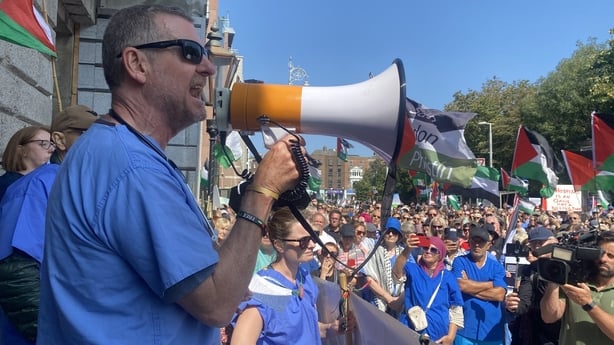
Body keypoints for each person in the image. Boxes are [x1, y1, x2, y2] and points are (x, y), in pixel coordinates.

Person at [36, 5, 304, 344]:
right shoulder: (133, 168)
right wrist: (262, 191)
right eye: (191, 53)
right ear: (137, 64)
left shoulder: (117, 152)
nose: (207, 68)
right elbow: (218, 303)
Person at [0, 106, 96, 344]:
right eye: (86, 134)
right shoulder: (40, 185)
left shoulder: (84, 184)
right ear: (60, 140)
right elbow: (16, 274)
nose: (97, 143)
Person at [231, 207, 342, 344]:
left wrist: (330, 328)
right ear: (279, 245)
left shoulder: (304, 278)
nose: (312, 245)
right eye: (303, 241)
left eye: (313, 237)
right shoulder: (264, 289)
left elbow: (303, 331)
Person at [540, 230, 614, 344]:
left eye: (611, 256)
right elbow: (549, 317)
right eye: (601, 253)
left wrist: (588, 304)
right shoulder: (576, 281)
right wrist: (554, 277)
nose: (603, 259)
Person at [393, 234, 464, 345]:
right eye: (426, 248)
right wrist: (407, 249)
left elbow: (456, 309)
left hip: (438, 336)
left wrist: (450, 337)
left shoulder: (447, 276)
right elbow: (397, 273)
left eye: (433, 250)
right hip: (410, 330)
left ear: (440, 254)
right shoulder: (413, 269)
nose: (428, 251)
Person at [452, 225, 507, 345]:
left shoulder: (496, 267)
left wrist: (469, 286)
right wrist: (491, 284)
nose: (477, 245)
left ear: (488, 245)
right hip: (465, 330)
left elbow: (499, 295)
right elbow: (460, 285)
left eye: (481, 242)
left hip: (492, 333)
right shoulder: (459, 261)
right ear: (469, 242)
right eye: (474, 241)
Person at [505, 227, 559, 345]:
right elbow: (524, 302)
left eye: (541, 243)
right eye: (534, 244)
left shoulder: (568, 267)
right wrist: (513, 305)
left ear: (554, 242)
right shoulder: (529, 270)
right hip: (539, 335)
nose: (538, 248)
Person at [363, 218, 406, 317]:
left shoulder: (405, 254)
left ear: (399, 236)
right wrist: (387, 297)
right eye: (388, 232)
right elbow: (369, 278)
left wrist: (398, 300)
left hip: (400, 304)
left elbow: (410, 279)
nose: (390, 234)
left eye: (394, 232)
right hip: (378, 302)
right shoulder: (373, 252)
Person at [0, 126, 54, 201]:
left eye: (52, 145)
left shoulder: (47, 182)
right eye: (43, 144)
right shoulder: (5, 184)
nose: (52, 149)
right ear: (22, 150)